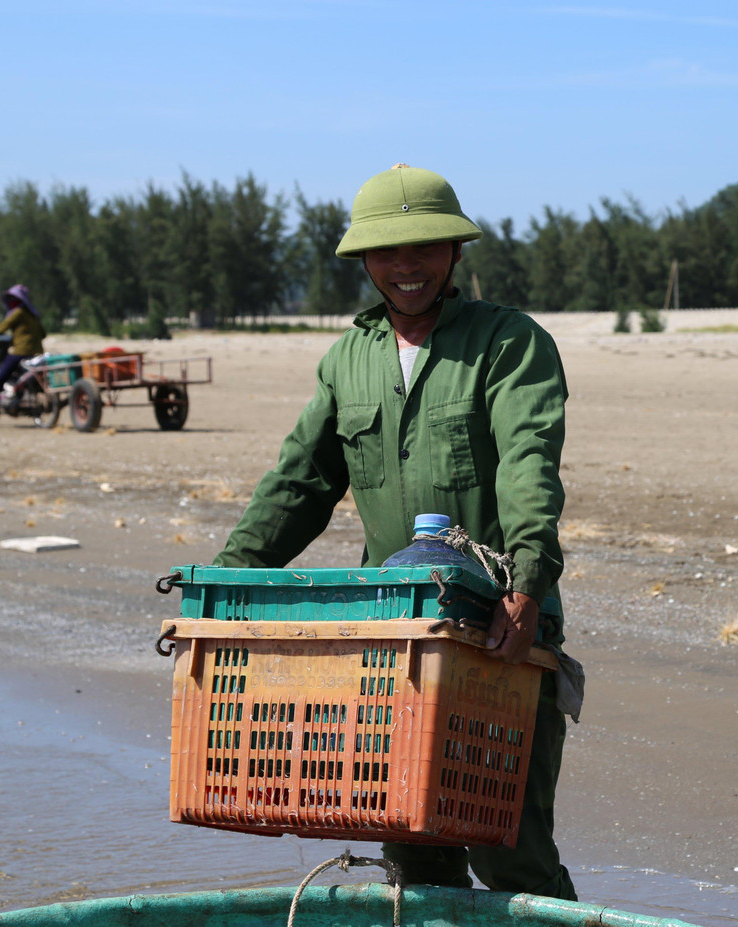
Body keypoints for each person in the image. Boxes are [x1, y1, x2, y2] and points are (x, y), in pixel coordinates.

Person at [213, 164, 575, 900]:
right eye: (386, 252)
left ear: (455, 252)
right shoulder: (348, 359)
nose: (406, 266)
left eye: (424, 248)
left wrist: (529, 581)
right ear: (364, 261)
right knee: (414, 848)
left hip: (500, 631)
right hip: (396, 641)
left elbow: (528, 465)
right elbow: (298, 484)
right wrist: (224, 582)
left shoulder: (508, 343)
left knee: (509, 851)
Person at [0, 284, 46, 424]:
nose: (10, 302)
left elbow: (1, 328)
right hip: (37, 354)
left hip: (21, 353)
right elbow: (43, 334)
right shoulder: (33, 314)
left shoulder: (18, 313)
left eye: (12, 299)